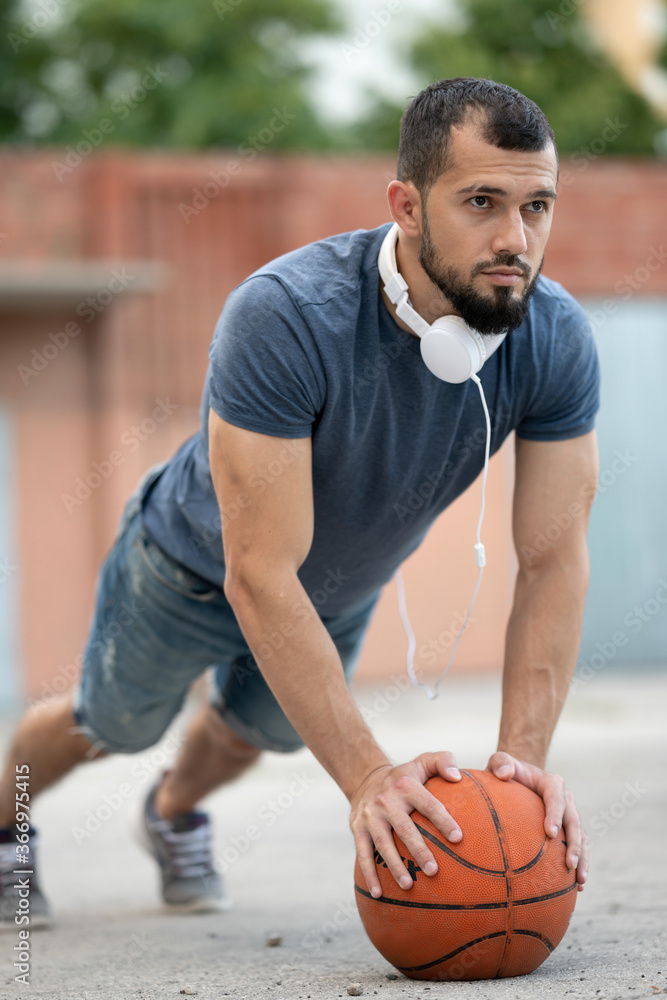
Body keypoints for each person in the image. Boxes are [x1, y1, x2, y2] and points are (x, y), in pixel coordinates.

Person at [0, 77, 599, 928]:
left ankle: (172, 815)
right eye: (481, 202)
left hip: (336, 590)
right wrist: (366, 777)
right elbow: (257, 572)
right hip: (189, 570)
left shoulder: (554, 338)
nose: (516, 238)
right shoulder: (285, 315)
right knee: (112, 725)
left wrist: (521, 768)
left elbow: (552, 560)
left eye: (537, 205)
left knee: (255, 734)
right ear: (407, 205)